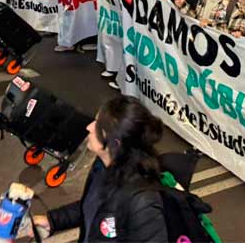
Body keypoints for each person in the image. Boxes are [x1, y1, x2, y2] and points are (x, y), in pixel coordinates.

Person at [31, 96, 167, 242]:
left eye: (97, 126)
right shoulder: (102, 165)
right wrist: (52, 221)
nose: (88, 127)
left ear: (115, 143)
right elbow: (93, 207)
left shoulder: (143, 201)